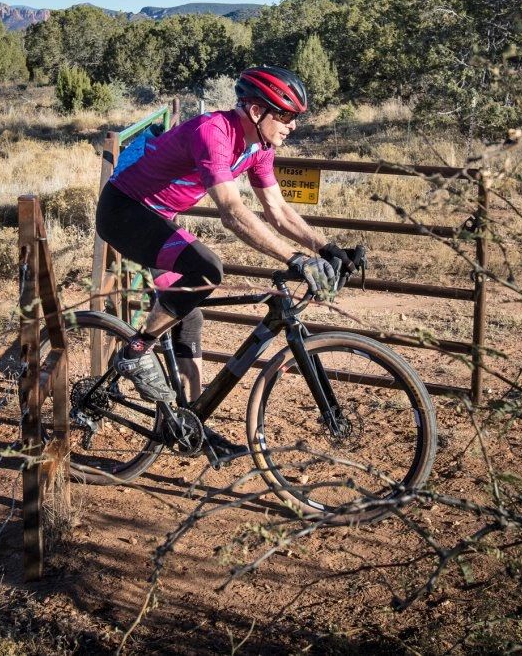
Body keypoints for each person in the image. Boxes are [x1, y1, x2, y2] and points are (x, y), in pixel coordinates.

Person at [95, 66, 353, 455]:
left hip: (159, 218)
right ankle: (135, 350)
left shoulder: (260, 148)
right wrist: (294, 258)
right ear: (254, 111)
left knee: (188, 314)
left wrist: (327, 249)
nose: (292, 126)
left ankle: (189, 423)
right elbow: (231, 212)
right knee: (207, 269)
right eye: (284, 115)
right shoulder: (213, 132)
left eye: (295, 117)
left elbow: (277, 211)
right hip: (124, 211)